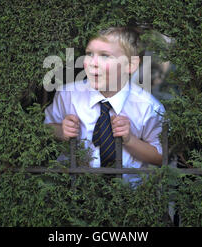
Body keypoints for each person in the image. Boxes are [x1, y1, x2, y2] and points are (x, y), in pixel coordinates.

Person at [43, 26, 165, 183]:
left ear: (131, 65)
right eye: (89, 54)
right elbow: (46, 128)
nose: (93, 63)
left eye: (105, 56)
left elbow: (161, 157)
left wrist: (130, 140)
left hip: (129, 195)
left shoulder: (148, 107)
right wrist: (61, 131)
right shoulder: (68, 95)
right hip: (73, 189)